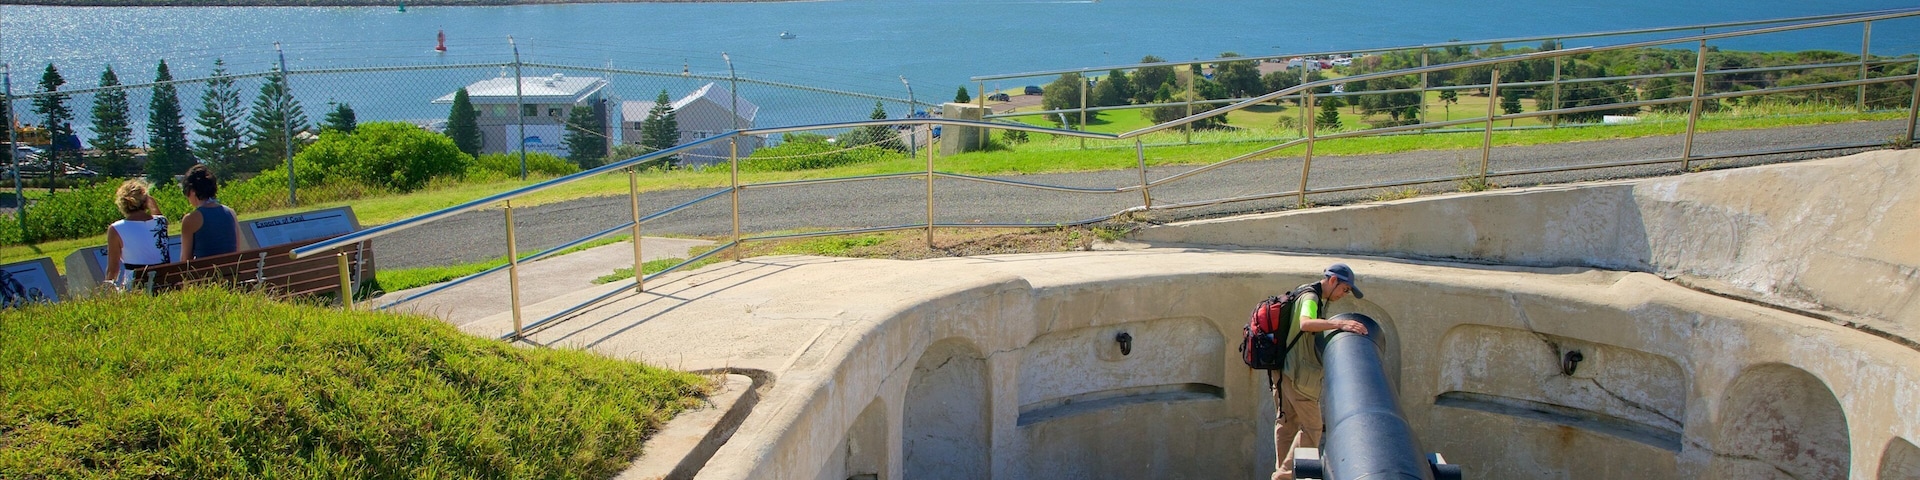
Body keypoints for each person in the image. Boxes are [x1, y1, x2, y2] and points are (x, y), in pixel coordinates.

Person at [1272, 263, 1369, 480]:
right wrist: (1339, 324)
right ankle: (1284, 476)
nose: (1344, 295)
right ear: (1333, 280)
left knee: (1286, 424)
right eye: (1344, 289)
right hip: (1299, 374)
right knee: (1314, 427)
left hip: (1283, 370)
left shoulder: (1305, 291)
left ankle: (1281, 471)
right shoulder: (1311, 298)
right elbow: (1306, 324)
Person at [104, 179, 171, 290]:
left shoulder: (116, 229)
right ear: (146, 201)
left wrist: (106, 291)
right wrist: (150, 202)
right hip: (164, 284)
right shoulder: (162, 222)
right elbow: (157, 218)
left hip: (135, 288)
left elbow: (113, 269)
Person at [180, 164, 240, 260]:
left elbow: (185, 260)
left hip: (206, 274)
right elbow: (237, 249)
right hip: (232, 271)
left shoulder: (191, 219)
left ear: (192, 191)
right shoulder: (231, 213)